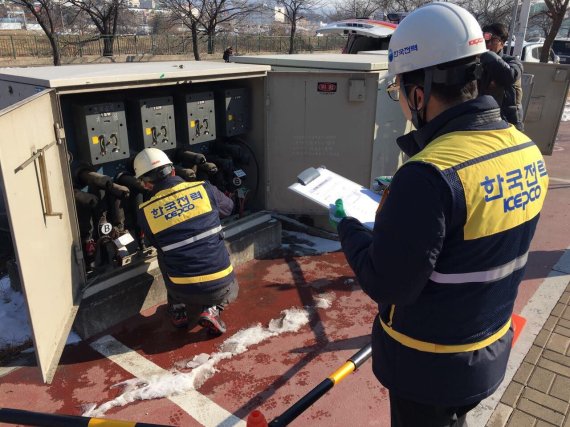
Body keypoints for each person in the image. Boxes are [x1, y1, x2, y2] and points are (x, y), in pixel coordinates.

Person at [329, 3, 549, 426]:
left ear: (419, 91)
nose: (403, 104)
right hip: (486, 347)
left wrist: (348, 228)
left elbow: (387, 283)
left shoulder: (429, 174)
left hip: (428, 364)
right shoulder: (523, 147)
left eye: (400, 91)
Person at [134, 147, 237, 335]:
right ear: (173, 170)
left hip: (181, 288)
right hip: (221, 286)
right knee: (215, 241)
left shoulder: (145, 211)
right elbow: (229, 208)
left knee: (165, 253)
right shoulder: (204, 189)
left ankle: (178, 308)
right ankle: (212, 310)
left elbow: (152, 243)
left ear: (146, 185)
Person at [480, 23, 524, 130]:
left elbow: (509, 76)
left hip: (507, 123)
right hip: (481, 120)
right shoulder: (478, 62)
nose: (488, 44)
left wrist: (486, 54)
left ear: (502, 43)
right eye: (485, 40)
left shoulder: (512, 62)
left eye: (493, 40)